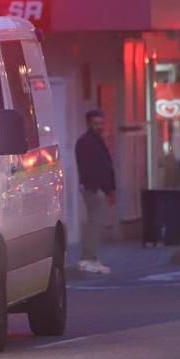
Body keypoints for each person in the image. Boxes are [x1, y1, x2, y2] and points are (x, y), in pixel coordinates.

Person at [75, 109, 117, 275]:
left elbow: (106, 166)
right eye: (95, 123)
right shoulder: (86, 142)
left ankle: (91, 257)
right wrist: (96, 188)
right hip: (94, 189)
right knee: (93, 224)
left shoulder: (97, 140)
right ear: (89, 124)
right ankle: (88, 258)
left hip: (99, 189)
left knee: (96, 224)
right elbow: (89, 168)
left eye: (101, 123)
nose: (99, 126)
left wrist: (110, 190)